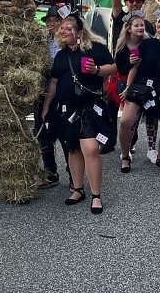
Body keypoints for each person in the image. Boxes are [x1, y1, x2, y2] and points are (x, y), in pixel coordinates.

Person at [42, 15, 117, 214]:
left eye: (68, 29)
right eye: (62, 29)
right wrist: (46, 106)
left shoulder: (95, 49)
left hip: (90, 107)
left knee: (90, 149)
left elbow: (113, 68)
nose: (63, 32)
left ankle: (96, 195)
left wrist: (96, 69)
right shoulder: (60, 55)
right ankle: (77, 189)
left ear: (79, 32)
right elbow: (54, 82)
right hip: (67, 109)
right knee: (73, 148)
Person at [117, 15, 160, 172]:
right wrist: (128, 87)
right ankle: (125, 157)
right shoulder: (147, 44)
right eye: (159, 26)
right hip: (141, 87)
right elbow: (135, 67)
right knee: (126, 121)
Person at [108, 0, 155, 155]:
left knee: (134, 111)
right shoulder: (121, 17)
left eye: (137, 1)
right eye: (131, 1)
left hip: (138, 73)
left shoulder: (147, 25)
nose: (134, 3)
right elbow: (115, 4)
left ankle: (131, 141)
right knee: (110, 106)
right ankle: (111, 141)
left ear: (142, 3)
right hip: (119, 69)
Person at [36, 6, 68, 189]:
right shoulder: (42, 41)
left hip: (62, 89)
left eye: (55, 21)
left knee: (65, 133)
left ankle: (73, 174)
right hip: (44, 88)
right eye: (49, 21)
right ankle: (50, 173)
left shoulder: (67, 41)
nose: (51, 24)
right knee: (43, 132)